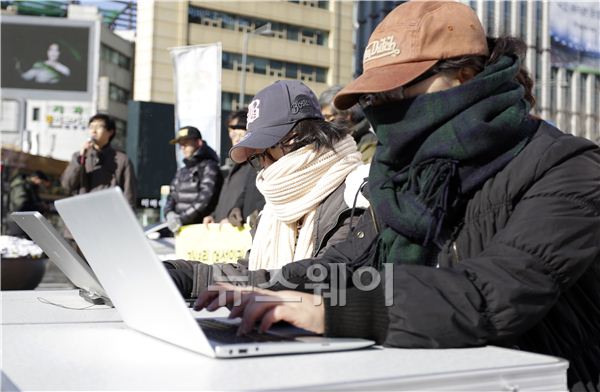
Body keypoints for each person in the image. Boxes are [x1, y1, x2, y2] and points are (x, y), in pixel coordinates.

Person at [195, 2, 600, 390]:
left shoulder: (568, 167)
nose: (387, 110)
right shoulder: (401, 177)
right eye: (376, 98)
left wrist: (337, 311)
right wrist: (233, 287)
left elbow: (492, 293)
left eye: (400, 90)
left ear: (464, 76)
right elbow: (349, 271)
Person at [165, 80, 367, 298]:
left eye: (263, 153)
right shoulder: (277, 205)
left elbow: (318, 279)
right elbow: (250, 270)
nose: (261, 167)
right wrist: (179, 271)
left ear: (295, 139)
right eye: (255, 158)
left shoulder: (355, 193)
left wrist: (193, 280)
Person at [203, 109, 265, 227]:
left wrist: (236, 214)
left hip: (242, 234)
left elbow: (251, 202)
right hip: (225, 234)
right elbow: (227, 201)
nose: (236, 139)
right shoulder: (235, 168)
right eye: (233, 135)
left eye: (241, 135)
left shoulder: (256, 165)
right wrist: (214, 216)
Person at [61, 113, 136, 206]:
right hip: (85, 211)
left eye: (99, 127)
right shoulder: (79, 156)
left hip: (111, 213)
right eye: (91, 127)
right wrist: (81, 159)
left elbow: (129, 194)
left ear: (110, 132)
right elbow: (67, 185)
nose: (94, 131)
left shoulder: (122, 160)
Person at [164, 126, 222, 233]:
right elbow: (171, 196)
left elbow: (205, 199)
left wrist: (182, 219)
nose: (182, 147)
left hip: (201, 230)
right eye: (180, 144)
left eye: (186, 143)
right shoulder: (182, 170)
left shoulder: (209, 166)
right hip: (180, 230)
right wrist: (169, 213)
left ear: (198, 143)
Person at [319, 85, 377, 163]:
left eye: (329, 117)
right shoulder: (327, 140)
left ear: (347, 115)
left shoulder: (369, 142)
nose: (324, 122)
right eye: (322, 118)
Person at [6, 171, 51, 237]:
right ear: (36, 178)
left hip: (24, 221)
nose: (41, 185)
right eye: (41, 182)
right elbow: (21, 206)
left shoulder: (30, 187)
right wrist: (40, 207)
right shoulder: (21, 186)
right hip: (18, 223)